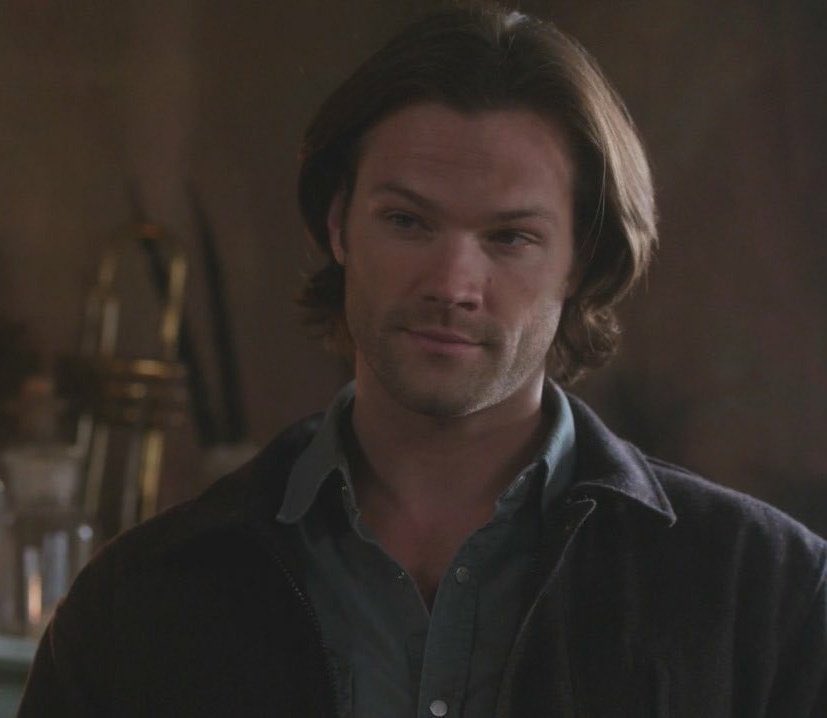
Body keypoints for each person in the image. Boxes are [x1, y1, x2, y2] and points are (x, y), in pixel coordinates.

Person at [20, 4, 826, 716]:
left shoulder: (766, 593)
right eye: (407, 222)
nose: (451, 284)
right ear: (338, 225)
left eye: (509, 237)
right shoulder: (140, 601)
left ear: (579, 262)